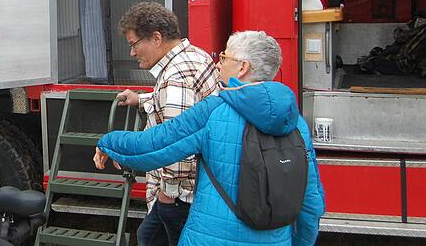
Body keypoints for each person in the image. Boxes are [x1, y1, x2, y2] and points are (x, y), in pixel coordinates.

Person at [94, 31, 325, 246]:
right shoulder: (295, 123)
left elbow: (151, 147)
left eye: (224, 57)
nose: (218, 63)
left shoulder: (214, 111)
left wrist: (108, 142)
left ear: (243, 67)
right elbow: (311, 200)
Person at [115, 2, 218, 246]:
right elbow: (188, 110)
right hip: (196, 189)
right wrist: (141, 99)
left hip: (180, 195)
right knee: (148, 236)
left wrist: (167, 195)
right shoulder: (193, 56)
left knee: (150, 239)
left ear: (157, 37)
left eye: (134, 44)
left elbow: (178, 144)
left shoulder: (176, 76)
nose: (132, 52)